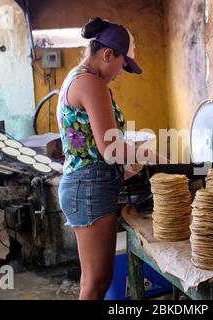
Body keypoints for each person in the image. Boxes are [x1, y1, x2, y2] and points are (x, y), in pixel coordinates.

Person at [57, 17, 160, 300]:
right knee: (96, 282)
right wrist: (148, 155)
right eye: (121, 64)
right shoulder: (91, 84)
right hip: (89, 188)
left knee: (94, 280)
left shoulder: (77, 77)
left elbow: (92, 146)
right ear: (107, 55)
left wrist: (127, 172)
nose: (120, 72)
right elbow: (108, 147)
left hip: (87, 184)